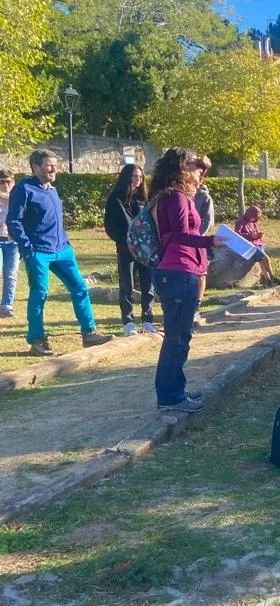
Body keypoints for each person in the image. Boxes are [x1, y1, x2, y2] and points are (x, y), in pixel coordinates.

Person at [5, 149, 113, 355]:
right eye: (49, 165)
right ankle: (36, 341)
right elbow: (13, 221)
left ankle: (89, 334)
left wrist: (66, 242)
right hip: (39, 252)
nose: (54, 169)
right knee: (40, 294)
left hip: (63, 250)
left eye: (55, 165)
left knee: (80, 287)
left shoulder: (52, 190)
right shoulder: (24, 189)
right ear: (35, 167)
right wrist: (28, 249)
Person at [150, 148, 224, 412]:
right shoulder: (177, 197)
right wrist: (211, 240)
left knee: (179, 335)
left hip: (176, 271)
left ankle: (175, 391)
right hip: (179, 270)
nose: (198, 170)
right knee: (177, 338)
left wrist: (204, 165)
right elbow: (182, 235)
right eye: (193, 164)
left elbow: (198, 180)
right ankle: (171, 396)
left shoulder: (168, 194)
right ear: (181, 167)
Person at [103, 163, 156, 335]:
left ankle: (148, 320)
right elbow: (110, 226)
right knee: (127, 285)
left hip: (146, 248)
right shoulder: (115, 199)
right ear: (126, 177)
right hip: (126, 248)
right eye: (134, 176)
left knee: (148, 285)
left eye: (140, 177)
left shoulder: (145, 199)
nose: (138, 180)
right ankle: (128, 322)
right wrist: (124, 240)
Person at [192, 157, 215, 327]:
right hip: (183, 242)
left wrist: (196, 236)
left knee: (200, 274)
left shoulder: (204, 198)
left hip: (198, 240)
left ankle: (196, 306)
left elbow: (208, 221)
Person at [234, 205, 279, 285]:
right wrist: (249, 236)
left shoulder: (253, 223)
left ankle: (267, 279)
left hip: (257, 244)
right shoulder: (240, 222)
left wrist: (259, 235)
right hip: (250, 246)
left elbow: (256, 232)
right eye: (254, 217)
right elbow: (237, 235)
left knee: (261, 262)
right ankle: (272, 276)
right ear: (250, 215)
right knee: (266, 258)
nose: (255, 219)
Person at [0, 169, 19, 319]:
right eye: (2, 181)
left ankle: (7, 306)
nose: (6, 185)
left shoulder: (18, 198)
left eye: (8, 181)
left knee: (11, 274)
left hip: (13, 242)